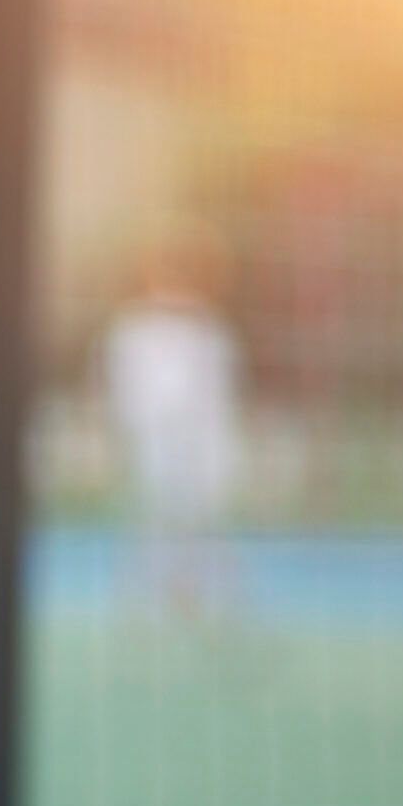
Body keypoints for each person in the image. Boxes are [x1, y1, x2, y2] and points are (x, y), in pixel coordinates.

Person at [100, 219, 243, 616]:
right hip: (155, 446)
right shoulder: (133, 330)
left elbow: (219, 397)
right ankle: (143, 601)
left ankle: (208, 599)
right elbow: (125, 395)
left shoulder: (209, 332)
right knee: (152, 523)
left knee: (203, 523)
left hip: (201, 448)